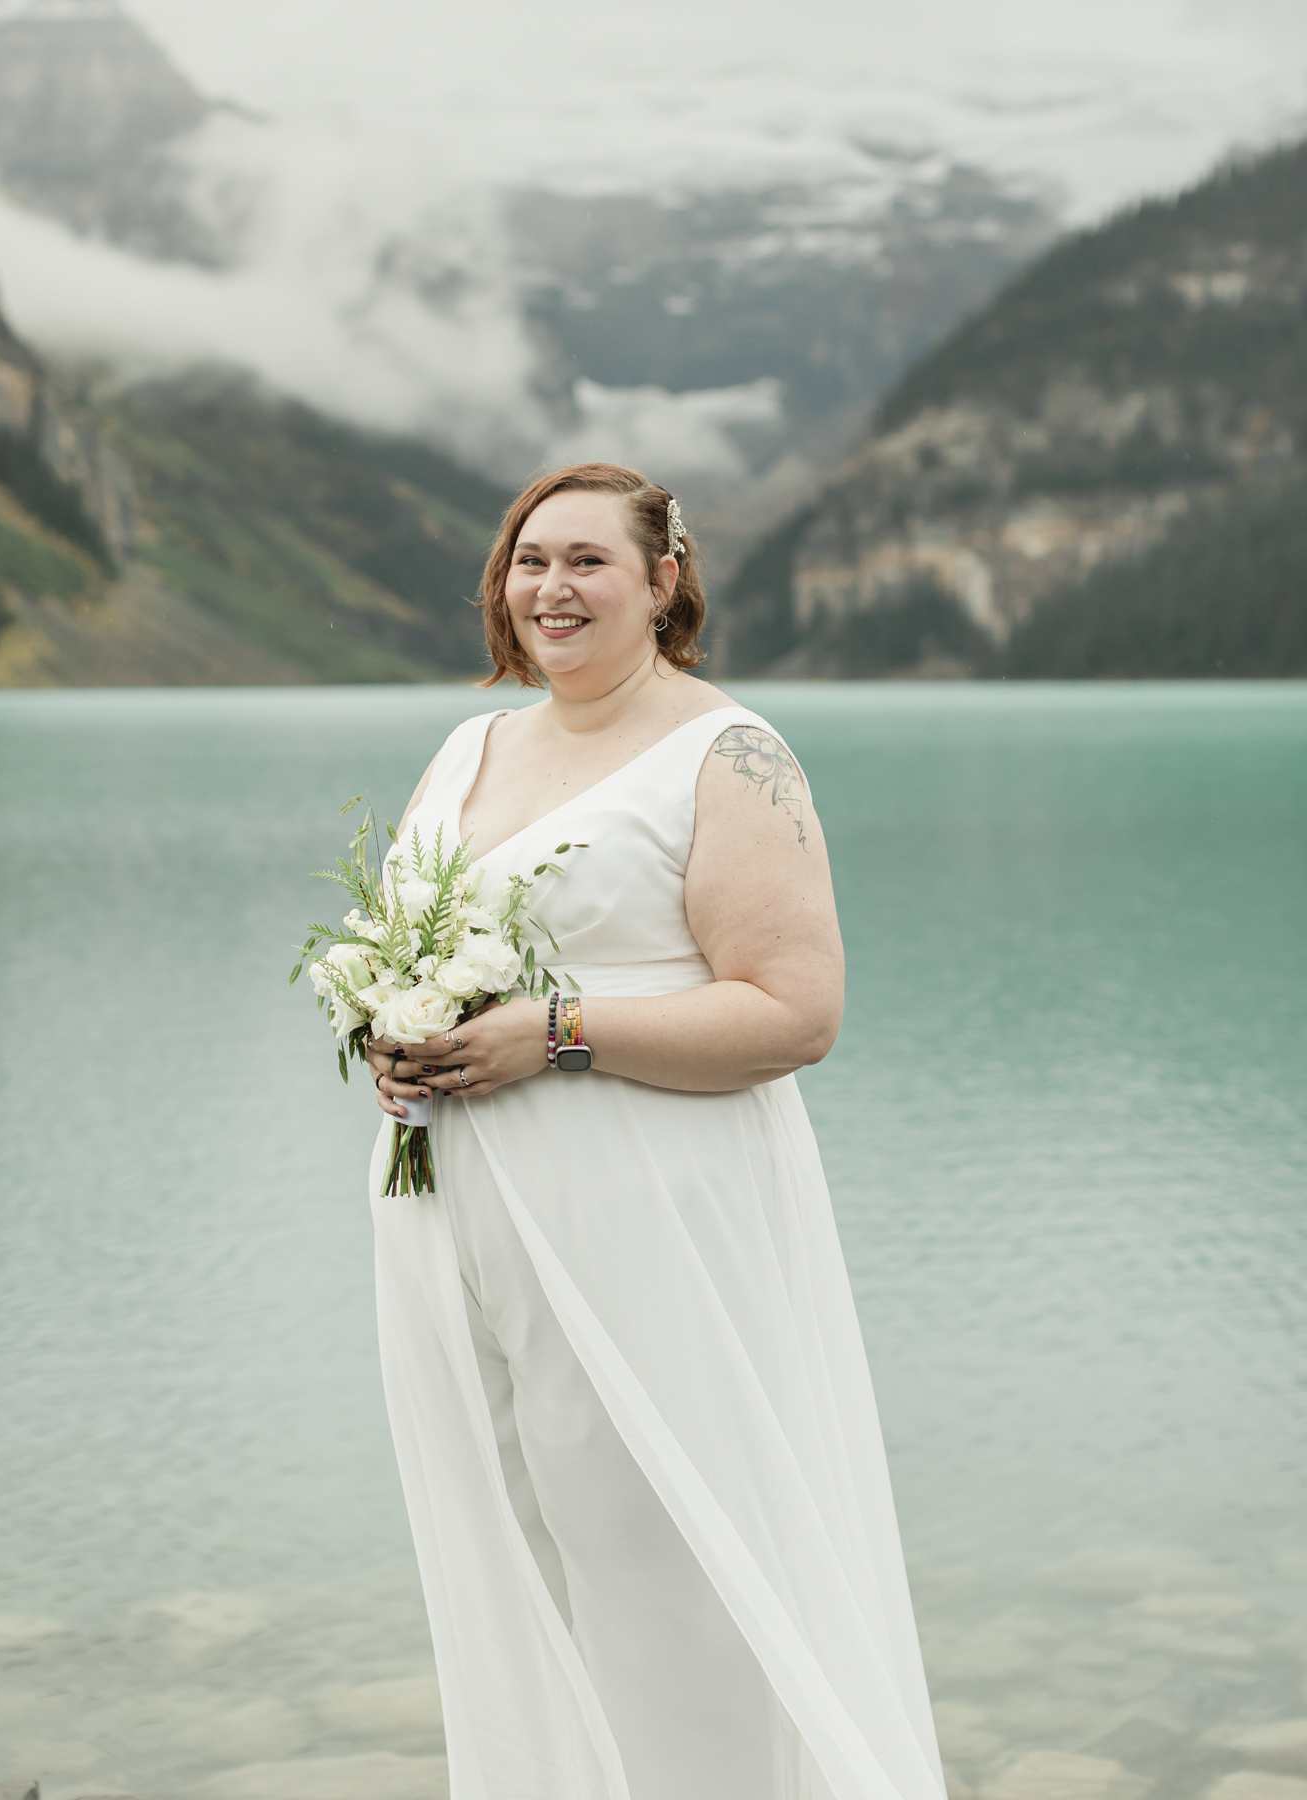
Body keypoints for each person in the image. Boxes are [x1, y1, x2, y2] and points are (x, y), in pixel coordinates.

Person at [364, 462, 944, 1800]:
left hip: (651, 1226)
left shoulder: (727, 754)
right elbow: (406, 951)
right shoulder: (471, 748)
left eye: (588, 562)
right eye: (529, 561)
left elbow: (798, 1015)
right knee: (514, 1538)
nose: (550, 589)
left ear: (664, 581)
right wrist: (392, 1039)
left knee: (668, 1556)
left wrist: (556, 1031)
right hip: (461, 1215)